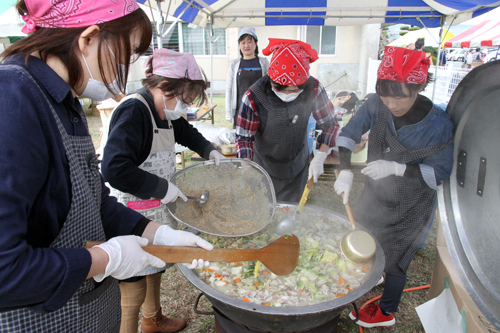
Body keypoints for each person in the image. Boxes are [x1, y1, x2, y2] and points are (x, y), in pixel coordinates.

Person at [0, 1, 211, 332]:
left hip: (85, 313)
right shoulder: (13, 99)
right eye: (123, 56)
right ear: (88, 38)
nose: (122, 72)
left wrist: (158, 232)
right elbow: (5, 268)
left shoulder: (65, 102)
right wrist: (105, 258)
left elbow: (95, 203)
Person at [101, 48, 225, 333]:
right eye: (184, 98)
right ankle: (131, 326)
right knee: (133, 281)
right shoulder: (135, 111)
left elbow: (186, 132)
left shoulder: (165, 111)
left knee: (155, 263)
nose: (186, 105)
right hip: (130, 211)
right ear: (162, 86)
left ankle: (153, 319)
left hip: (156, 208)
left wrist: (210, 150)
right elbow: (114, 168)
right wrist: (161, 187)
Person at [334, 46, 454, 328]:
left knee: (397, 260)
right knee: (363, 235)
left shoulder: (438, 124)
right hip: (375, 194)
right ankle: (374, 273)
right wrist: (345, 171)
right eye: (386, 98)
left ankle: (386, 311)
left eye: (399, 97)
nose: (392, 105)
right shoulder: (377, 103)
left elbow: (440, 173)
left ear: (418, 86)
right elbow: (348, 134)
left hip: (412, 203)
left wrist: (398, 168)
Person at [235, 38, 340, 202]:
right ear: (271, 80)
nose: (287, 96)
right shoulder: (254, 96)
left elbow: (330, 124)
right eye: (281, 90)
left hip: (296, 165)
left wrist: (320, 156)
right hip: (263, 166)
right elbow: (244, 138)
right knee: (261, 211)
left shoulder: (314, 89)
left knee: (292, 212)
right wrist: (247, 170)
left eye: (294, 90)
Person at [226, 27, 270, 128]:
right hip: (240, 111)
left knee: (259, 142)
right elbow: (229, 88)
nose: (246, 45)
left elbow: (270, 86)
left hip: (260, 111)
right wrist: (228, 112)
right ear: (239, 44)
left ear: (256, 42)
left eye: (250, 41)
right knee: (241, 141)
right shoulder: (234, 64)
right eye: (243, 42)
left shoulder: (263, 62)